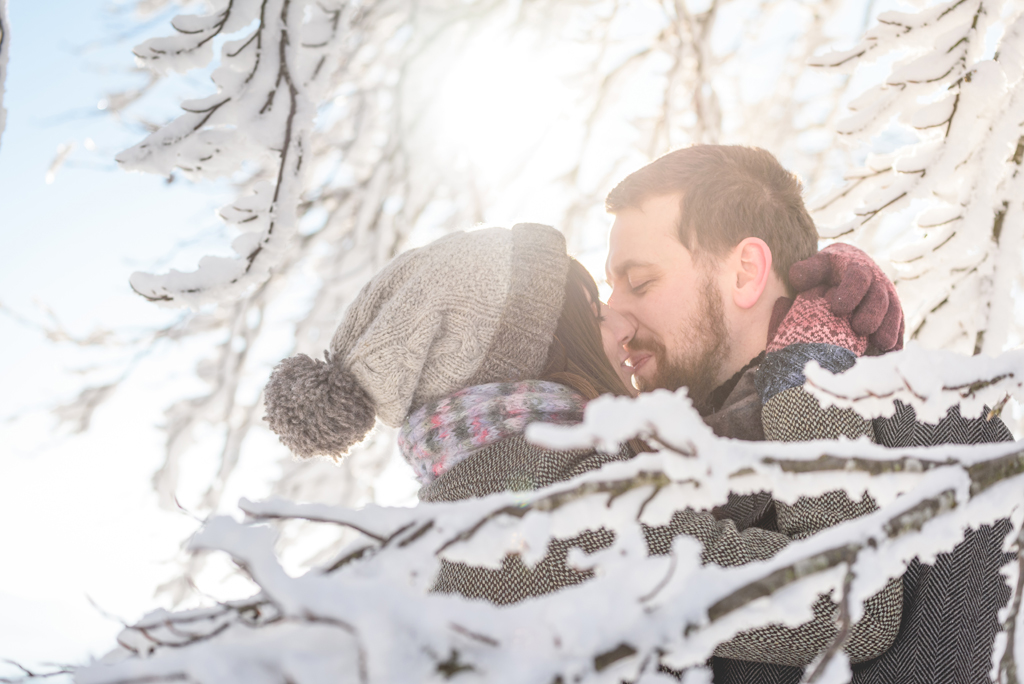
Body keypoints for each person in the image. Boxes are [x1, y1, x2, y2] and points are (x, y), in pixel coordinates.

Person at [262, 222, 904, 670]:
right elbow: (853, 604)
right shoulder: (552, 516)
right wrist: (810, 371)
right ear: (544, 352)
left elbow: (703, 520)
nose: (624, 323)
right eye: (598, 312)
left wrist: (801, 370)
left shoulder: (502, 489)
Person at [603, 144, 1014, 684]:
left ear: (746, 272)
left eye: (640, 282)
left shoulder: (942, 440)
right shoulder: (657, 472)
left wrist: (810, 373)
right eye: (610, 288)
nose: (615, 315)